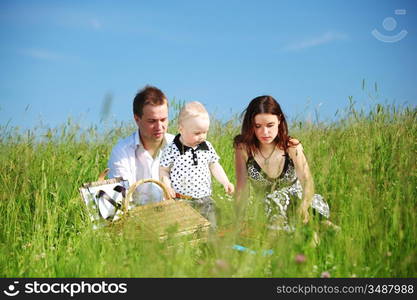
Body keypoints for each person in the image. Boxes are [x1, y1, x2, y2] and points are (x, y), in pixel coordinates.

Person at [234, 95, 333, 232]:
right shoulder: (243, 149)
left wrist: (304, 205)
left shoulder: (292, 146)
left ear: (279, 120)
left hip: (298, 203)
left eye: (270, 125)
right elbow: (242, 189)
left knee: (313, 221)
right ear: (251, 125)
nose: (265, 132)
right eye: (258, 126)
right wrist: (239, 219)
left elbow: (307, 181)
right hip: (268, 208)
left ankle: (322, 232)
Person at [159, 101, 234, 228]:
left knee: (211, 228)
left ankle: (211, 245)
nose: (202, 137)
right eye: (197, 133)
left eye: (205, 132)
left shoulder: (207, 146)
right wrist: (167, 187)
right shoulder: (172, 149)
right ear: (181, 129)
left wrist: (225, 182)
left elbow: (214, 165)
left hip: (205, 199)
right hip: (182, 200)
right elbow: (163, 170)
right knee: (186, 231)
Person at [108, 85, 175, 204]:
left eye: (163, 119)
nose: (159, 127)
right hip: (137, 219)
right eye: (152, 121)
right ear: (137, 119)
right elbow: (123, 199)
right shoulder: (122, 151)